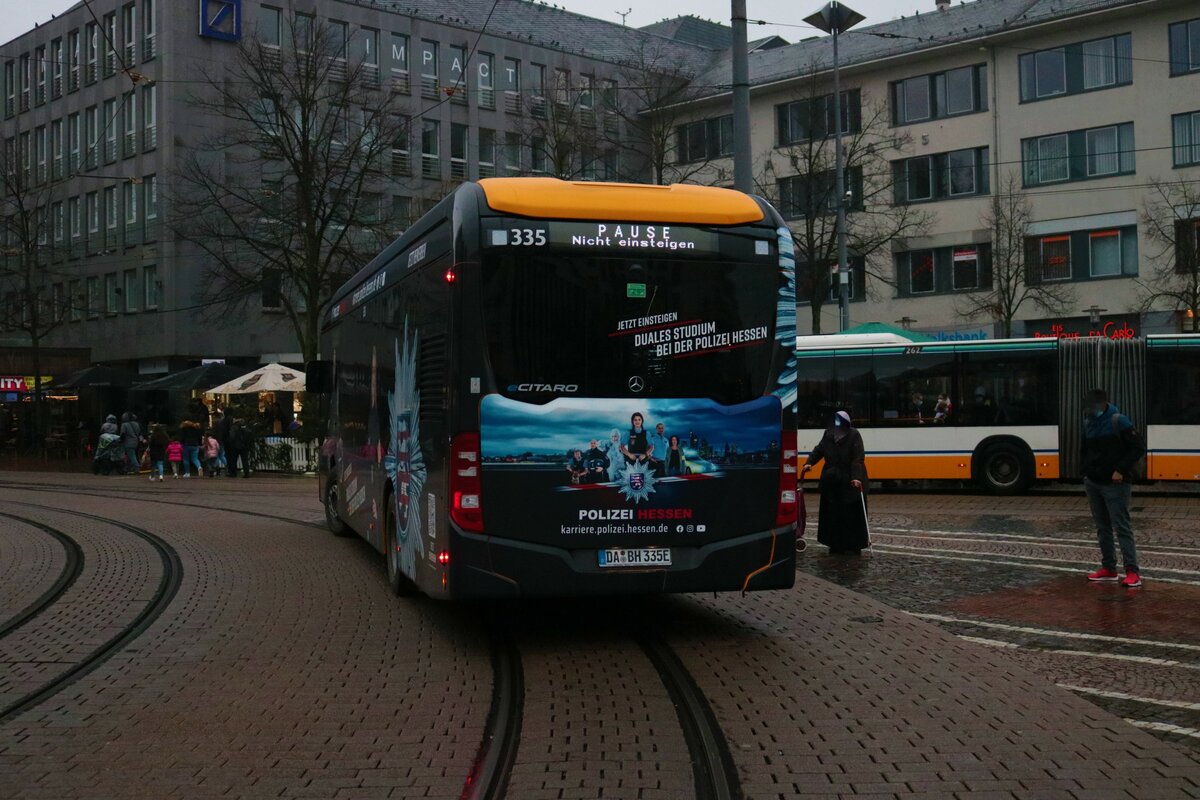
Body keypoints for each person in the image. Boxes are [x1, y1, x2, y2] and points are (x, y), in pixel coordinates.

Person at [1082, 389, 1145, 588]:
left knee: (1121, 527)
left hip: (1116, 483)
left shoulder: (1119, 421)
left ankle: (1132, 571)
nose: (1091, 410)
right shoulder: (1088, 422)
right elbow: (1085, 450)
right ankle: (1109, 568)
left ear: (1104, 403)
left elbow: (1137, 447)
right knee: (1103, 528)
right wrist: (1086, 472)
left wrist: (1120, 470)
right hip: (1094, 481)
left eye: (1094, 406)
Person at [802, 410, 869, 554]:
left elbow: (858, 458)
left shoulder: (854, 435)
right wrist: (809, 463)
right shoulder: (828, 434)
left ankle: (853, 544)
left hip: (849, 481)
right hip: (832, 481)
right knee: (832, 513)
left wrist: (856, 477)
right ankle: (834, 543)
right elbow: (819, 450)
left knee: (850, 514)